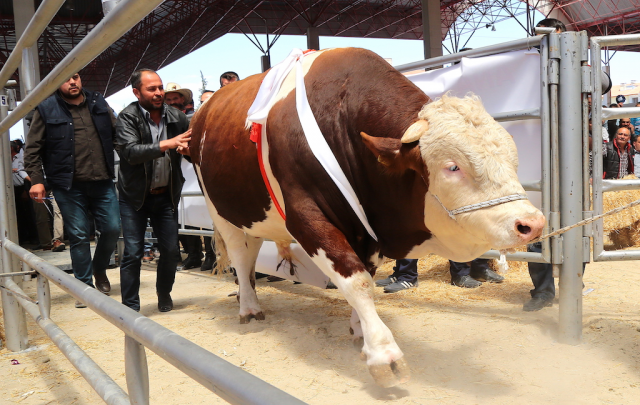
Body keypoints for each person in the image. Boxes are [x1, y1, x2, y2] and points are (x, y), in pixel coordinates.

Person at [24, 72, 120, 308]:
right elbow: (32, 148)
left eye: (75, 76)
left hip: (102, 180)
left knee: (112, 229)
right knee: (78, 236)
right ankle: (84, 288)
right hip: (67, 185)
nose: (72, 82)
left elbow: (118, 134)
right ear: (56, 82)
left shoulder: (98, 101)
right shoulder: (46, 108)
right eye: (66, 79)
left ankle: (99, 268)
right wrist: (37, 180)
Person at [115, 68, 191, 313]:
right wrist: (167, 144)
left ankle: (164, 293)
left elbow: (189, 148)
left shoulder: (177, 118)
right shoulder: (127, 118)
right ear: (137, 92)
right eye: (152, 89)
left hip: (165, 195)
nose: (159, 93)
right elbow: (130, 152)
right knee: (133, 253)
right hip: (134, 198)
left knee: (170, 251)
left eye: (160, 87)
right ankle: (130, 307)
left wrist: (188, 151)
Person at [522, 18, 568, 312]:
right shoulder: (525, 68)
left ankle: (571, 282)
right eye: (542, 37)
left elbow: (603, 83)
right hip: (534, 156)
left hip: (567, 161)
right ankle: (542, 290)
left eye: (553, 36)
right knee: (535, 223)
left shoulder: (577, 61)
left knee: (570, 224)